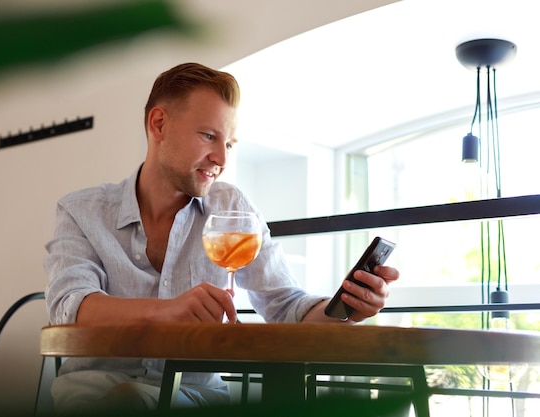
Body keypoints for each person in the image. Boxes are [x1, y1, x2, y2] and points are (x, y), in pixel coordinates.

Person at [43, 62, 400, 414]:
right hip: (93, 397)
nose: (221, 158)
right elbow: (70, 307)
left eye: (229, 143)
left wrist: (346, 307)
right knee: (127, 399)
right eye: (209, 136)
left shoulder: (232, 207)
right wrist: (169, 312)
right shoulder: (82, 211)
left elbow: (286, 307)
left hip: (194, 399)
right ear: (159, 124)